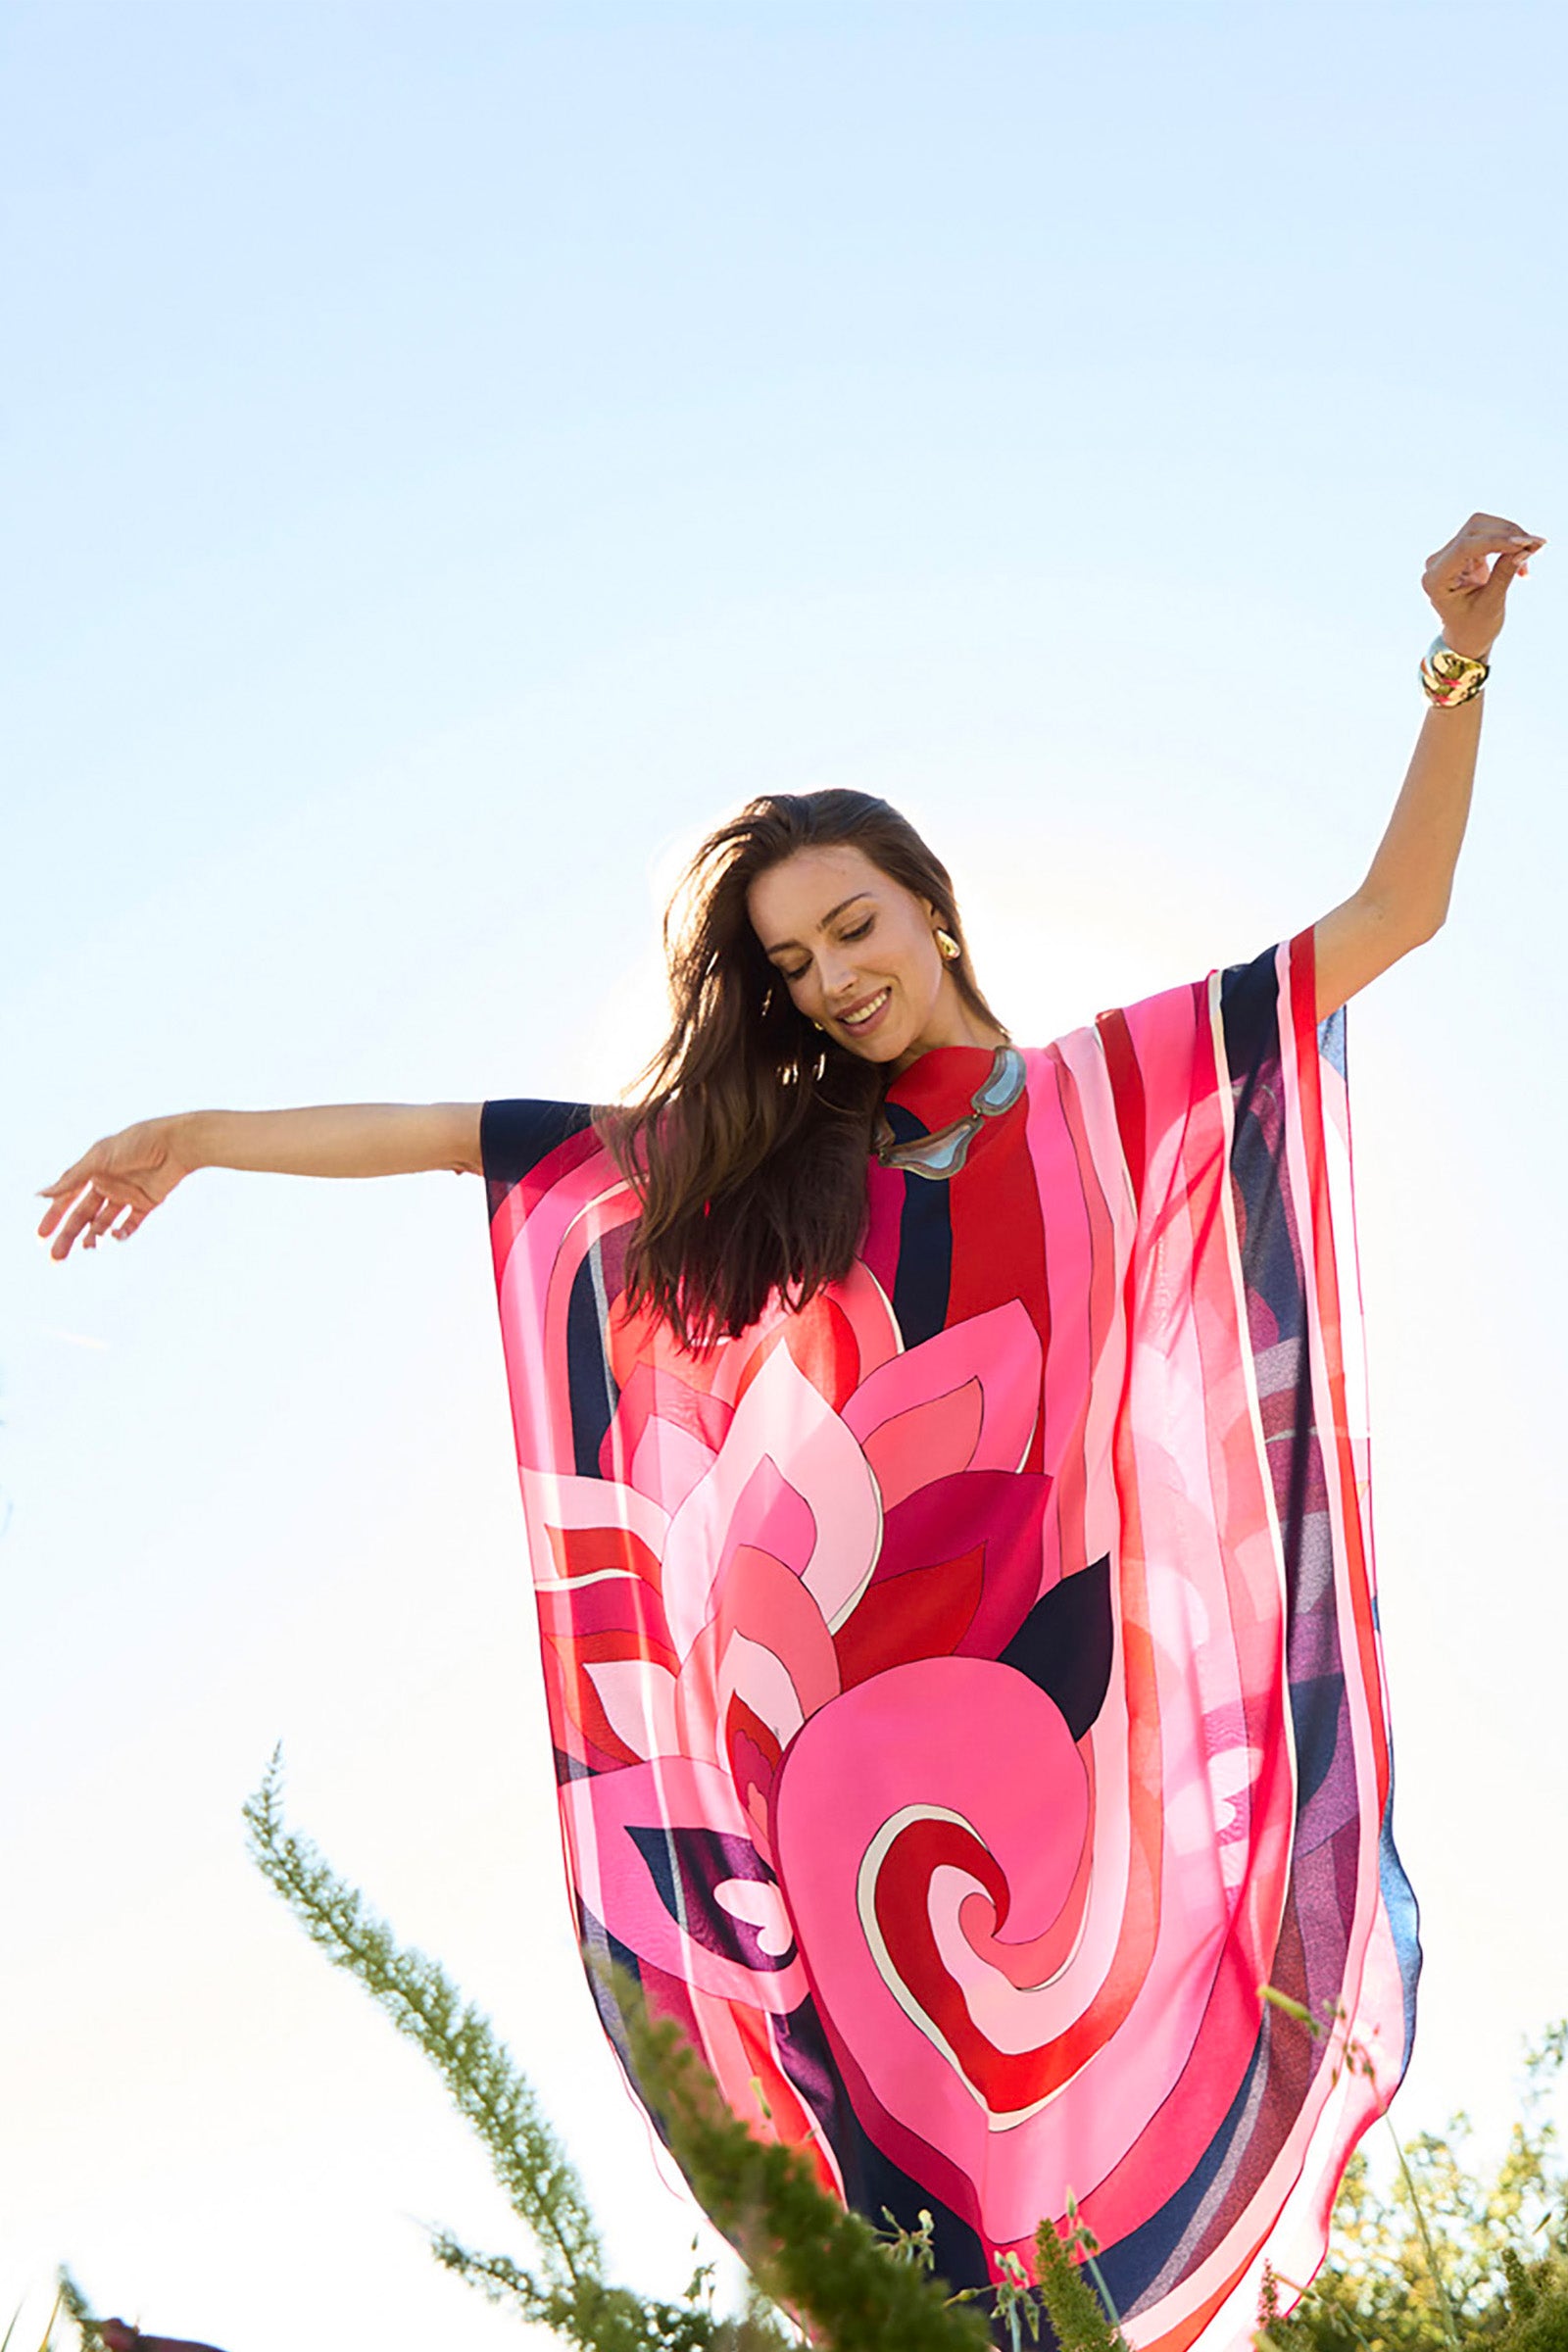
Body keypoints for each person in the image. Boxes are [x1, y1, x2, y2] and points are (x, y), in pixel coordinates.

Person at [40, 515, 1543, 2352]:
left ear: (931, 908)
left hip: (1065, 1708)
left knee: (1112, 2126)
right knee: (910, 2222)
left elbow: (1394, 916)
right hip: (835, 1750)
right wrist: (199, 1136)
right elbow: (470, 1137)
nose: (834, 979)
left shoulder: (1113, 1083)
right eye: (794, 962)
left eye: (854, 927)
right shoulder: (774, 1163)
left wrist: (1459, 662)